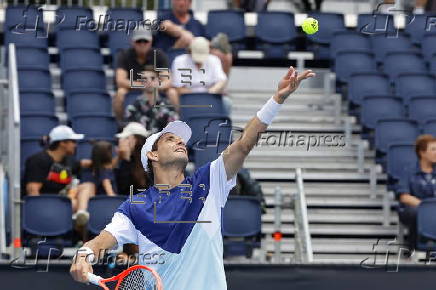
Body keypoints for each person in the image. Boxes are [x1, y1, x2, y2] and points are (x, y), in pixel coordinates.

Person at [70, 66, 315, 288]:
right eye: (169, 138)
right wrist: (84, 255)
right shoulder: (135, 207)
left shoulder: (208, 182)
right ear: (153, 155)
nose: (179, 141)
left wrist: (277, 100)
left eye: (181, 139)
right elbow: (102, 241)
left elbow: (242, 145)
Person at [114, 28, 174, 121]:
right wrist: (143, 85)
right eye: (139, 41)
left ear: (150, 42)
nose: (142, 44)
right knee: (120, 93)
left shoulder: (159, 55)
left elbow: (167, 81)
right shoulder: (124, 55)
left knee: (172, 92)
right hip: (133, 89)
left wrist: (154, 86)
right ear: (132, 42)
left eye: (145, 41)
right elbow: (120, 81)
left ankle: (174, 122)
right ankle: (121, 123)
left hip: (154, 89)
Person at [397, 134, 436, 251]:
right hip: (415, 208)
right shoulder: (408, 171)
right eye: (433, 149)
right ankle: (413, 249)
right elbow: (404, 196)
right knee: (416, 212)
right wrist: (425, 208)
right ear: (422, 153)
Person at [23, 125, 84, 196]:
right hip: (45, 203)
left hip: (64, 203)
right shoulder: (37, 160)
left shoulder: (69, 161)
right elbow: (33, 191)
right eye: (73, 142)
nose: (75, 145)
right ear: (62, 143)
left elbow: (83, 163)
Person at [171, 37, 228, 109]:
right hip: (187, 97)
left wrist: (214, 90)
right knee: (172, 93)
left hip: (210, 96)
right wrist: (199, 97)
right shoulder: (179, 61)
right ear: (189, 51)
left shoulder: (214, 60)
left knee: (227, 103)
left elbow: (221, 80)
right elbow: (179, 88)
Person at [75, 141, 118, 226]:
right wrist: (116, 201)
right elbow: (109, 190)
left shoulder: (96, 170)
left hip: (97, 204)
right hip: (107, 205)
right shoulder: (106, 172)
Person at [124, 67, 179, 133]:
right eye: (144, 79)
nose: (149, 81)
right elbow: (130, 134)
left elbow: (173, 133)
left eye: (152, 78)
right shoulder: (132, 108)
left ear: (159, 81)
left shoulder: (168, 106)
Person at [114, 122, 149, 196]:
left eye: (126, 138)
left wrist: (126, 160)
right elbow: (120, 190)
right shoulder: (122, 161)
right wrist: (123, 159)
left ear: (135, 140)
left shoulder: (150, 162)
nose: (121, 141)